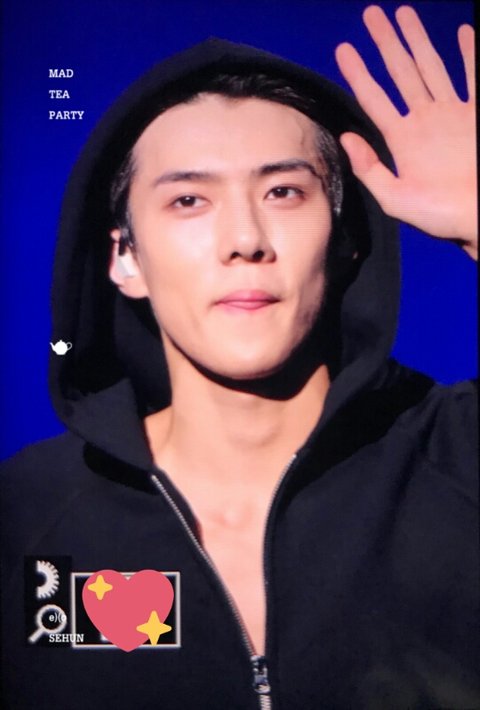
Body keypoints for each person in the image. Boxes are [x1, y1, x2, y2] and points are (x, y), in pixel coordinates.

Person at [1, 5, 477, 709]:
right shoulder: (24, 513)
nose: (245, 239)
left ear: (346, 240)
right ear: (124, 257)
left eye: (284, 192)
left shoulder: (461, 456)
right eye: (189, 200)